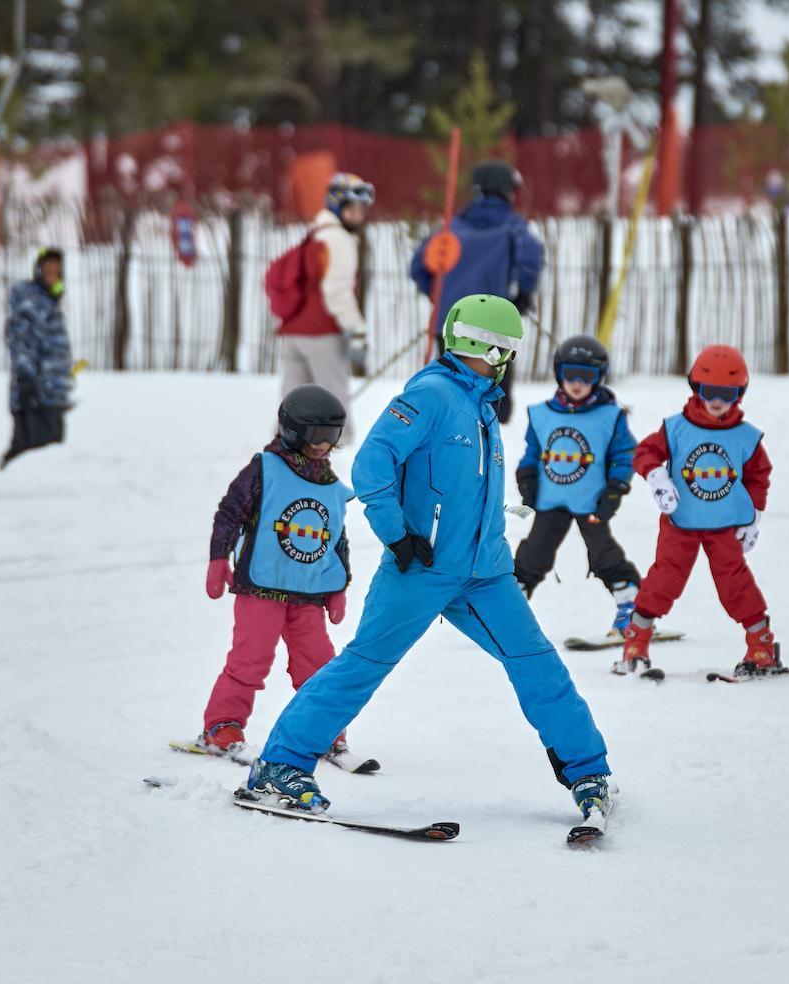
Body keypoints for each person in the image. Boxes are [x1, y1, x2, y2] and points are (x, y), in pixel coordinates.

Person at [242, 294, 614, 827]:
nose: (509, 360)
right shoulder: (433, 395)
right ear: (490, 348)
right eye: (506, 349)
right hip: (422, 568)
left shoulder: (480, 403)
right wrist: (397, 536)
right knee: (363, 665)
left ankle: (588, 772)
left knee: (539, 666)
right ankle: (278, 768)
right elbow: (373, 463)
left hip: (485, 573)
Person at [193, 385, 356, 758]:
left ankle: (324, 730)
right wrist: (219, 557)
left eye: (331, 437)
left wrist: (339, 584)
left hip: (308, 594)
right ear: (293, 430)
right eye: (316, 436)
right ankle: (222, 725)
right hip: (261, 590)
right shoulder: (263, 469)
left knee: (318, 665)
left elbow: (334, 536)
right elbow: (230, 513)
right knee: (249, 660)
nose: (323, 445)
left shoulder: (330, 485)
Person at [615, 345, 785, 681]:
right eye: (710, 391)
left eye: (728, 393)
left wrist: (754, 515)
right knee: (664, 581)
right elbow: (645, 452)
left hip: (725, 526)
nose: (717, 400)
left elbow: (757, 477)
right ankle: (636, 640)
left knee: (735, 585)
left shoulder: (746, 438)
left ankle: (761, 645)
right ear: (696, 388)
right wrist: (657, 476)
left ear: (740, 393)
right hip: (681, 524)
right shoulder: (676, 428)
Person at [512, 334, 642, 635]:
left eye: (587, 375)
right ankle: (510, 610)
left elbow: (625, 454)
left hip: (592, 501)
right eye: (570, 374)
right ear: (559, 373)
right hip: (550, 499)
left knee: (603, 554)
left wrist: (616, 487)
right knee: (534, 555)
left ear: (599, 377)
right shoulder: (542, 414)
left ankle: (631, 607)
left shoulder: (609, 415)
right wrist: (527, 475)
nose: (577, 383)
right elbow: (533, 449)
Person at [410, 159, 545, 423]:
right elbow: (531, 257)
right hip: (494, 325)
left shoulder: (451, 226)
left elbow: (419, 265)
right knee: (495, 400)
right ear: (508, 190)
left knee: (453, 388)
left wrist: (438, 296)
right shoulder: (512, 226)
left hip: (452, 322)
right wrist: (523, 296)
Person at [273, 173, 373, 440]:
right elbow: (336, 292)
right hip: (323, 333)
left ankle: (284, 446)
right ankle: (343, 444)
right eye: (352, 209)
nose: (358, 215)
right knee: (334, 394)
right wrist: (357, 330)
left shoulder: (316, 233)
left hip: (295, 331)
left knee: (292, 398)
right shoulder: (339, 239)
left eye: (361, 209)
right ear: (337, 207)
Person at [0, 249, 75, 469]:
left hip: (52, 395)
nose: (53, 274)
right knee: (29, 460)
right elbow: (21, 340)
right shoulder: (31, 301)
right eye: (48, 268)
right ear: (38, 271)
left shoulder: (49, 302)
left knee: (44, 459)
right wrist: (25, 377)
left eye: (57, 270)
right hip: (35, 396)